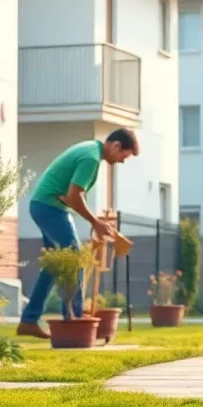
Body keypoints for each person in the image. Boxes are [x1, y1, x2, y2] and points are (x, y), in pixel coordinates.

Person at [17, 129, 139, 338]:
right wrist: (95, 222)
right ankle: (74, 321)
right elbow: (75, 196)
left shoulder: (90, 150)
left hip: (45, 205)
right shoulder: (91, 158)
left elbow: (70, 195)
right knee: (75, 259)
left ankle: (29, 321)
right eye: (123, 156)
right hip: (50, 208)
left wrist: (91, 217)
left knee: (54, 267)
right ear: (116, 146)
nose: (122, 161)